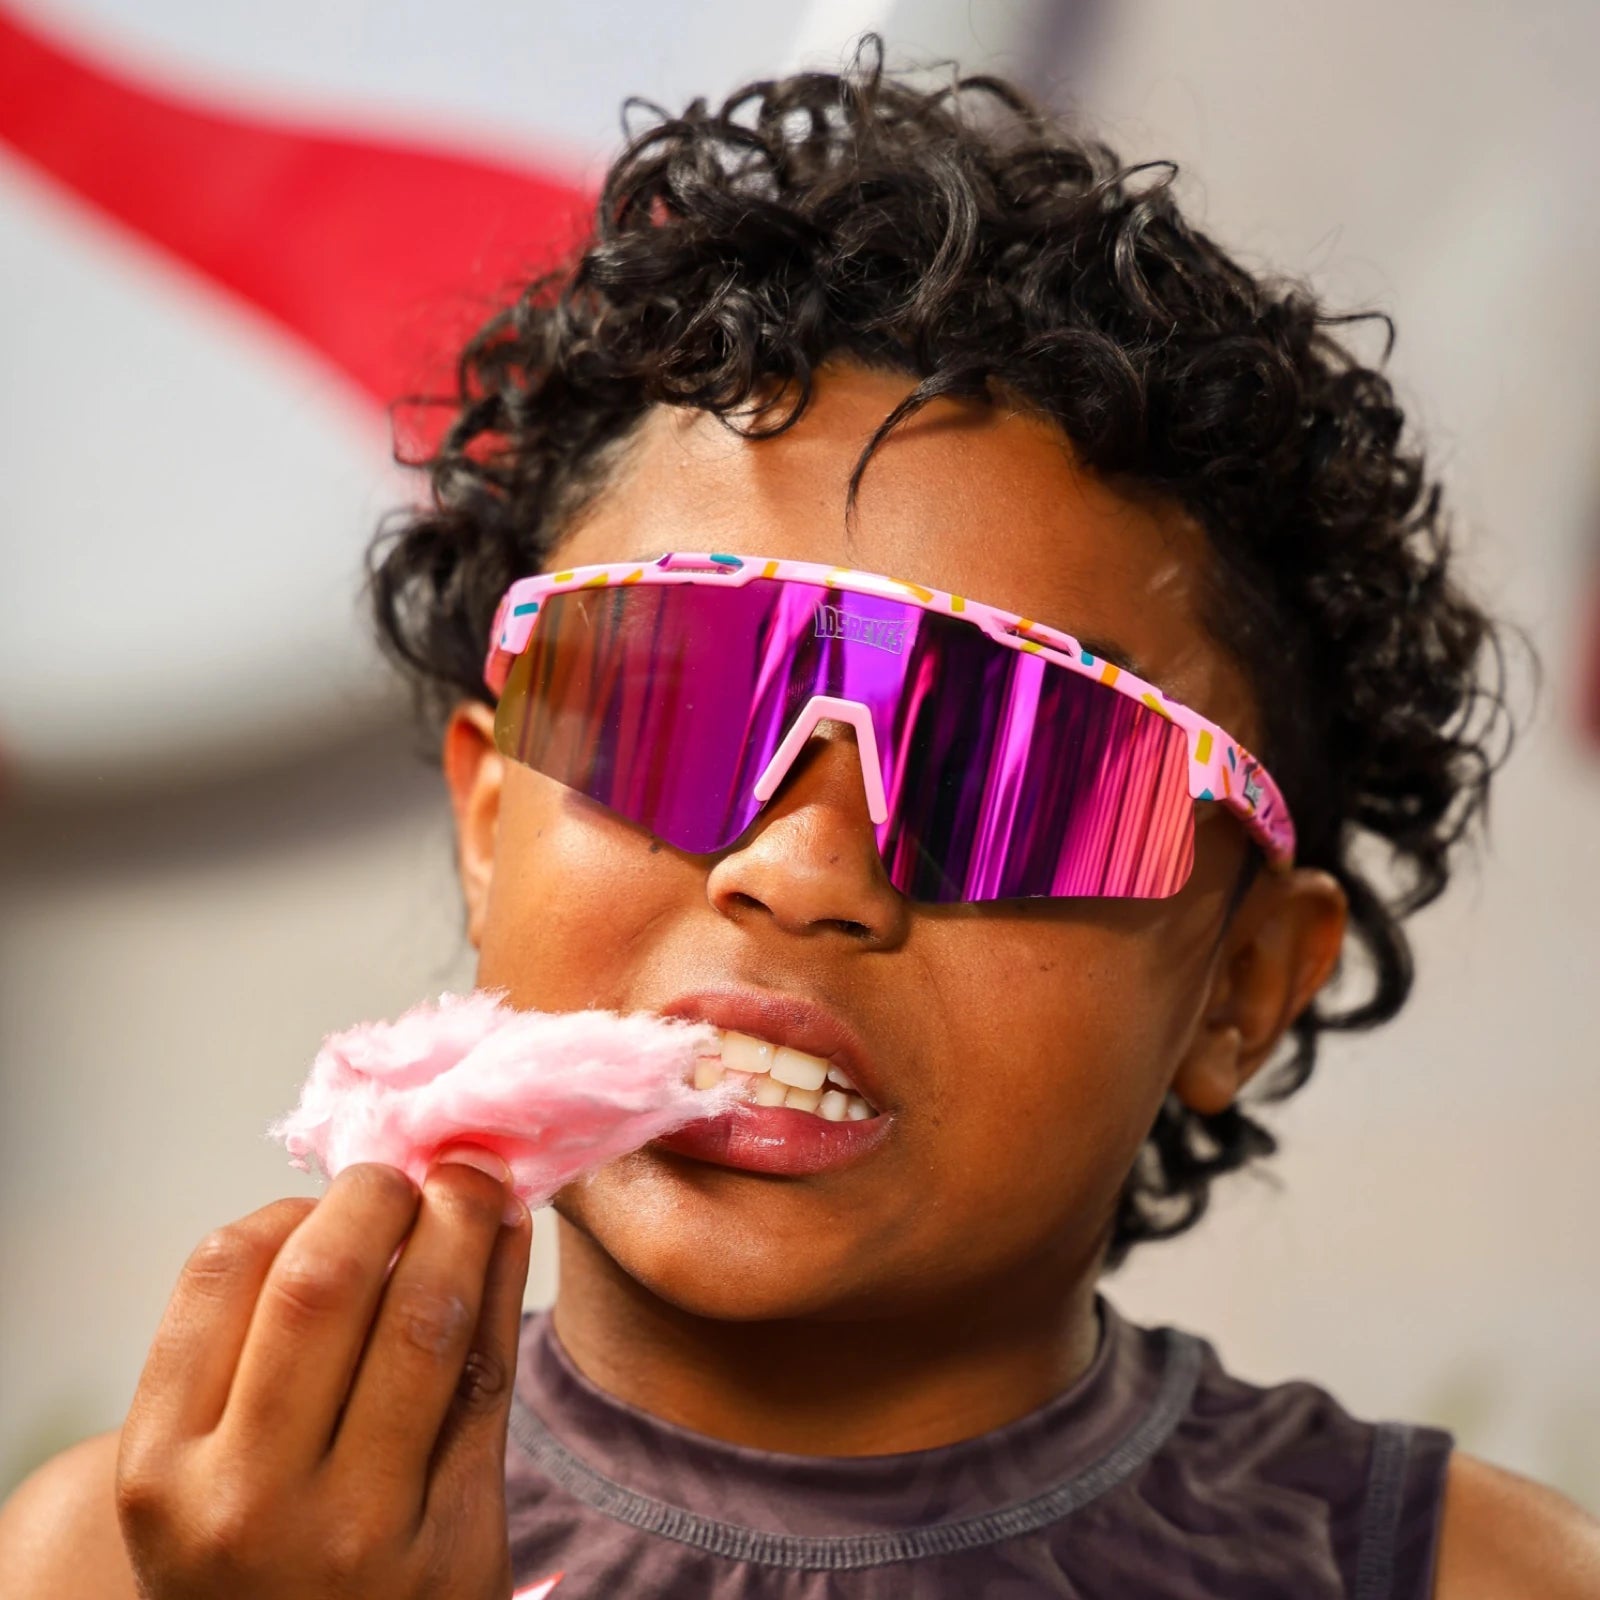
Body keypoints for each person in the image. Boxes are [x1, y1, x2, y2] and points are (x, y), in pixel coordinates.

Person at [4, 39, 1598, 1600]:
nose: (799, 866)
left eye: (1013, 770)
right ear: (489, 818)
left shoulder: (1473, 1580)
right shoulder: (122, 1564)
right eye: (679, 702)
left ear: (1242, 984)